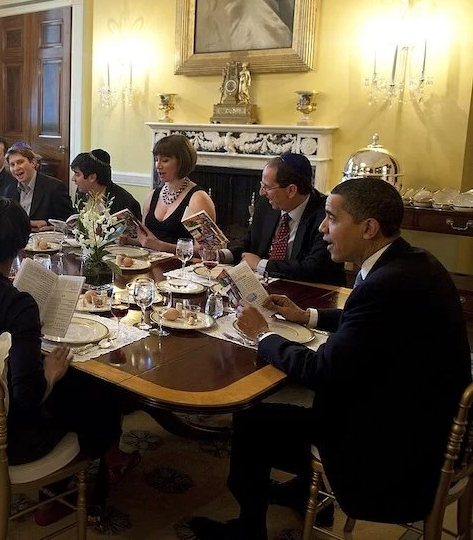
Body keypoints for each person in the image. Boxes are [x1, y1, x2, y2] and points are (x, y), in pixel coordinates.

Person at [189, 178, 470, 540]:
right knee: (288, 404)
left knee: (253, 419)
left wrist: (262, 334)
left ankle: (249, 529)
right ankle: (301, 489)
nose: (322, 227)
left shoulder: (387, 285)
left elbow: (320, 371)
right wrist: (306, 316)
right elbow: (362, 321)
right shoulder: (410, 263)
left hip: (394, 447)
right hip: (426, 416)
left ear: (368, 228)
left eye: (332, 218)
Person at [0, 196, 138, 522]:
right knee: (97, 391)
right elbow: (27, 398)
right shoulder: (18, 304)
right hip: (11, 444)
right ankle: (70, 485)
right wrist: (52, 372)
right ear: (21, 246)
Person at [221, 153, 345, 285]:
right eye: (262, 185)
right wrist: (221, 255)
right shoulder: (266, 204)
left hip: (311, 293)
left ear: (291, 190)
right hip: (264, 286)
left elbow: (314, 268)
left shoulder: (326, 215)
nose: (261, 192)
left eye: (267, 187)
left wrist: (261, 264)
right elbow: (249, 242)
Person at [134, 134, 215, 250]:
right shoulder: (152, 196)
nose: (158, 165)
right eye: (156, 160)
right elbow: (147, 241)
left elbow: (206, 249)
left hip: (183, 265)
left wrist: (161, 246)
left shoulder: (198, 199)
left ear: (182, 161)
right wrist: (129, 240)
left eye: (165, 160)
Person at [7, 146, 75, 231]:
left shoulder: (55, 187)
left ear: (33, 163)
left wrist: (46, 223)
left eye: (20, 162)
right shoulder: (9, 188)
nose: (16, 168)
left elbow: (68, 220)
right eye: (12, 165)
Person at [70, 149, 141, 219]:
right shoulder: (81, 192)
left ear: (92, 177)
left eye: (77, 174)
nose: (73, 179)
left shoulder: (126, 203)